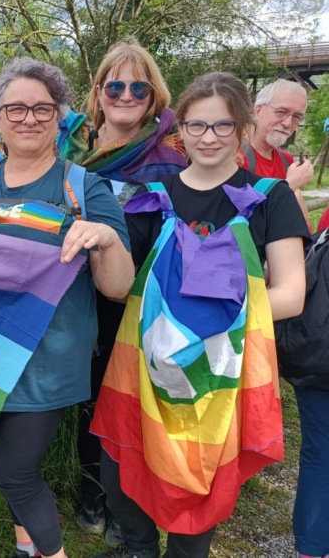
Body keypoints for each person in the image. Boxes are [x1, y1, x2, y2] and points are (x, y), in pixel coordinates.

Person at [89, 72, 309, 558]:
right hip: (145, 365)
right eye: (197, 126)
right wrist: (102, 241)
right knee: (120, 473)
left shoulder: (270, 198)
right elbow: (124, 288)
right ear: (180, 131)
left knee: (202, 485)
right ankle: (140, 548)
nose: (209, 137)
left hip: (221, 372)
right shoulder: (153, 197)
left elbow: (292, 294)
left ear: (243, 130)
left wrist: (200, 317)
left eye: (222, 126)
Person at [0, 57, 134, 558]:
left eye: (42, 108)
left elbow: (119, 287)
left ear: (60, 117)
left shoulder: (82, 186)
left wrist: (105, 239)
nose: (29, 118)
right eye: (16, 108)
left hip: (46, 361)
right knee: (12, 460)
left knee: (15, 472)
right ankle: (25, 547)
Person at [60, 39, 188, 541]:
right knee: (89, 399)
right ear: (99, 92)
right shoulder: (70, 153)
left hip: (143, 302)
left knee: (133, 402)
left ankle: (127, 505)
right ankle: (92, 494)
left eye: (139, 87)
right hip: (78, 299)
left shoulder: (172, 159)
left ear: (154, 96)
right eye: (115, 86)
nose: (126, 95)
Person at [239, 79, 314, 225]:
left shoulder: (286, 160)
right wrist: (289, 185)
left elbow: (303, 221)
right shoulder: (236, 157)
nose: (287, 123)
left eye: (296, 117)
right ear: (258, 111)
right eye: (281, 112)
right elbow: (234, 216)